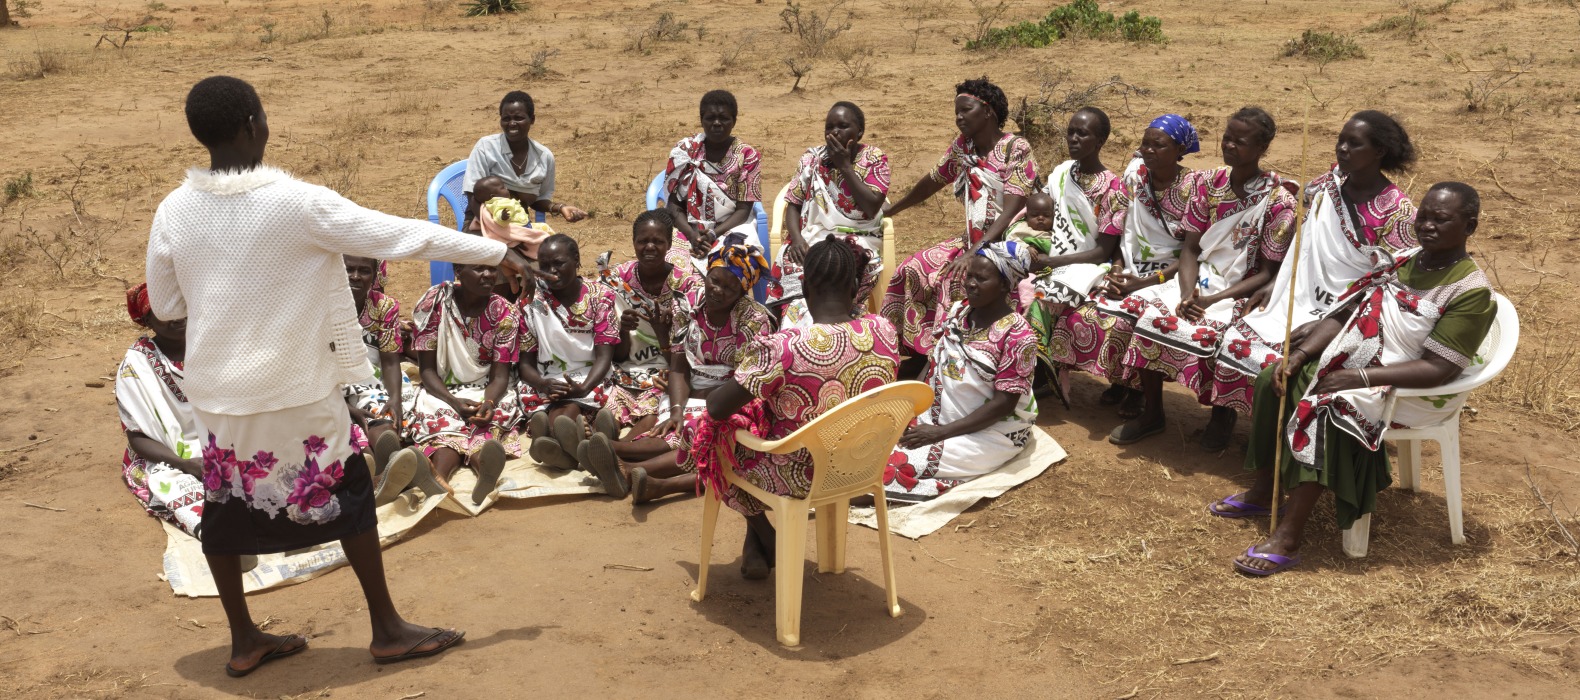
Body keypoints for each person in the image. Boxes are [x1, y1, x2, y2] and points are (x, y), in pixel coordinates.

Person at [146, 76, 525, 675]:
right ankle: (387, 629)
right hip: (296, 387)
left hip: (218, 394)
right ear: (251, 125)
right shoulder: (299, 202)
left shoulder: (173, 211)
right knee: (350, 495)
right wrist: (498, 251)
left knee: (225, 507)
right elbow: (398, 234)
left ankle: (243, 640)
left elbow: (167, 305)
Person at [1216, 183, 1494, 576]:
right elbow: (1347, 314)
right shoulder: (1402, 261)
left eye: (1441, 219)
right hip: (1358, 359)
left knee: (1326, 407)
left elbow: (1439, 368)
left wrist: (1358, 378)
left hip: (1407, 387)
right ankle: (1265, 491)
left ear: (1470, 226)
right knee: (1272, 380)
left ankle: (1289, 535)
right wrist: (1299, 356)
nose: (1427, 226)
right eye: (1423, 216)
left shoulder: (1470, 291)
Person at [680, 237, 900, 579]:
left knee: (709, 430)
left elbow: (717, 406)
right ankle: (759, 541)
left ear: (806, 287)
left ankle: (765, 532)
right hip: (861, 464)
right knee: (758, 420)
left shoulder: (785, 346)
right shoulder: (884, 330)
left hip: (797, 475)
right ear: (855, 286)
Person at [1210, 110, 1419, 429]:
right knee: (1236, 336)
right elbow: (1306, 240)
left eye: (1354, 144)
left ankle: (1287, 434)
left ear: (1379, 151)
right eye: (1341, 140)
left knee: (1289, 359)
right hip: (1301, 295)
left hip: (1351, 313)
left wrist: (1331, 320)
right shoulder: (1329, 185)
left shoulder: (1397, 212)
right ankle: (1229, 420)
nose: (1343, 148)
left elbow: (1389, 286)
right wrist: (1277, 283)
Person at [1109, 108, 1298, 447]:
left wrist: (1212, 300)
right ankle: (1152, 412)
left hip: (1243, 290)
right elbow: (1191, 250)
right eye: (1227, 138)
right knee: (1149, 316)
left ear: (1262, 148)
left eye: (1240, 141)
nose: (1230, 146)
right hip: (1200, 279)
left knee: (1223, 338)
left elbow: (1267, 273)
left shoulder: (1278, 200)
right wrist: (1187, 294)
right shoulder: (1208, 183)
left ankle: (1221, 418)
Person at [1039, 114, 1202, 421]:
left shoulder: (1194, 188)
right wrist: (1116, 271)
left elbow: (1191, 254)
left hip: (1171, 274)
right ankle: (1119, 379)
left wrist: (1143, 282)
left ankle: (1138, 390)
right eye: (1145, 144)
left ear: (1179, 149)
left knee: (1132, 317)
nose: (1148, 150)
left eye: (1158, 145)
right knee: (1086, 312)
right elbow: (1120, 234)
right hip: (1131, 268)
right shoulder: (1134, 180)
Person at [592, 232, 775, 505]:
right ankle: (618, 457)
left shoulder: (753, 318)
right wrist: (678, 408)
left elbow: (742, 384)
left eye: (730, 288)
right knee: (667, 421)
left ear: (742, 292)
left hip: (732, 396)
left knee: (694, 431)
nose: (718, 291)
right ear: (707, 274)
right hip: (690, 385)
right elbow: (678, 365)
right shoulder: (688, 302)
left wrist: (691, 402)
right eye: (714, 280)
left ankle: (619, 458)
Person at [882, 77, 1038, 368]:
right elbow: (932, 181)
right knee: (912, 269)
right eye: (957, 112)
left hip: (1008, 244)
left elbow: (1012, 209)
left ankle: (955, 357)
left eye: (966, 110)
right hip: (972, 242)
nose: (959, 117)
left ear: (987, 111)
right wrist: (893, 210)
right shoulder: (963, 148)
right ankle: (920, 352)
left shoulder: (1015, 148)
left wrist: (974, 251)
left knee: (955, 279)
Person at [884, 243, 1037, 502]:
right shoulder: (958, 311)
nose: (971, 284)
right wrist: (912, 411)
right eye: (970, 276)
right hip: (936, 418)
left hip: (991, 433)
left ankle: (840, 499)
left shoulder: (1018, 337)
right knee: (869, 443)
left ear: (1004, 285)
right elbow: (935, 363)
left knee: (894, 466)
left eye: (981, 279)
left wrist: (939, 433)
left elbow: (1003, 404)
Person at [403, 259, 522, 504]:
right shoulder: (434, 303)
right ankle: (439, 476)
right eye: (479, 268)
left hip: (488, 387)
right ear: (458, 270)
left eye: (492, 268)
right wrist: (454, 402)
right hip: (442, 388)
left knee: (490, 417)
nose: (488, 274)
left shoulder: (505, 312)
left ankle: (484, 470)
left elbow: (500, 376)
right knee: (440, 416)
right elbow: (427, 371)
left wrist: (489, 402)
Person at [769, 101, 890, 328]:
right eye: (829, 127)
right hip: (813, 235)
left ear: (859, 132)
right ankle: (791, 327)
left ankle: (838, 327)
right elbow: (793, 204)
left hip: (859, 238)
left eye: (842, 126)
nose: (834, 132)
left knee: (840, 269)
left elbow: (872, 206)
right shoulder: (811, 158)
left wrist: (844, 166)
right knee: (791, 265)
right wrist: (797, 238)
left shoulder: (873, 158)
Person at [517, 234, 619, 476]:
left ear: (576, 260)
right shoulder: (531, 301)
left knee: (569, 407)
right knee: (559, 401)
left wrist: (583, 388)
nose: (551, 272)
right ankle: (574, 446)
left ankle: (553, 440)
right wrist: (542, 383)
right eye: (544, 266)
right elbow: (525, 364)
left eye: (559, 263)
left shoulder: (600, 297)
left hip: (591, 374)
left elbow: (604, 357)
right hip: (548, 377)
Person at [1020, 107, 1128, 328]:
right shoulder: (1062, 171)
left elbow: (1102, 252)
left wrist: (1049, 262)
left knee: (1047, 294)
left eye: (1082, 133)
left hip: (1084, 265)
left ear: (1100, 141)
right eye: (1071, 132)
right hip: (1050, 251)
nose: (1073, 139)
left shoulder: (1112, 188)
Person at [116, 283, 207, 538]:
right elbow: (137, 438)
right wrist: (186, 464)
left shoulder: (211, 346)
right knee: (182, 493)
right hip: (167, 457)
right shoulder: (136, 365)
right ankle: (222, 537)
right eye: (165, 312)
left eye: (181, 306)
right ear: (147, 320)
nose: (177, 316)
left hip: (220, 445)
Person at [598, 209, 701, 429]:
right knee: (610, 404)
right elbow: (619, 355)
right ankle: (598, 437)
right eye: (643, 241)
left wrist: (663, 334)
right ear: (634, 242)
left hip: (672, 368)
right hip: (627, 368)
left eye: (658, 241)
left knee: (655, 404)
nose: (650, 247)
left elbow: (687, 355)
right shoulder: (618, 280)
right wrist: (623, 329)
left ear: (669, 244)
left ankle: (623, 445)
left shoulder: (686, 285)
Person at [663, 89, 762, 267]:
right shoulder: (685, 151)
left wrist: (712, 234)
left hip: (731, 226)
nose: (717, 123)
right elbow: (673, 204)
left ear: (734, 121)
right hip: (688, 228)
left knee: (736, 260)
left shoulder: (747, 155)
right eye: (710, 118)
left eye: (724, 118)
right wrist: (692, 235)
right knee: (667, 260)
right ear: (702, 120)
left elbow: (743, 210)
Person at [462, 90, 586, 231]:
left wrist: (560, 208)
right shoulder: (486, 147)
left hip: (519, 224)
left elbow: (539, 201)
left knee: (557, 242)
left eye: (519, 118)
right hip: (482, 222)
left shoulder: (544, 157)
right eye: (506, 118)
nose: (512, 123)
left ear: (532, 119)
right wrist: (495, 228)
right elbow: (472, 195)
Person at [343, 255, 408, 469]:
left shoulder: (384, 306)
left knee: (384, 419)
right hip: (328, 384)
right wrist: (347, 408)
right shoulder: (321, 305)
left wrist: (395, 399)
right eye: (348, 269)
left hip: (369, 380)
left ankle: (387, 461)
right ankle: (378, 469)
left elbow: (390, 362)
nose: (355, 276)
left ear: (375, 275)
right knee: (339, 423)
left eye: (364, 271)